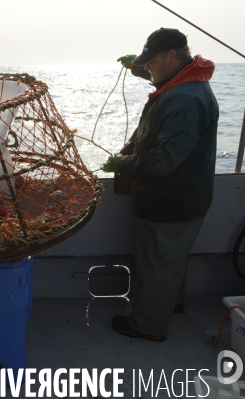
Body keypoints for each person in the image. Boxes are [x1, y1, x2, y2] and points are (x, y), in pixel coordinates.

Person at [102, 28, 219, 341]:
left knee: (157, 263)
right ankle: (172, 305)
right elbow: (165, 80)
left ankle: (147, 325)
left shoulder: (185, 100)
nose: (148, 67)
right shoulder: (188, 81)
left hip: (171, 199)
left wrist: (121, 164)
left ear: (172, 55)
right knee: (170, 259)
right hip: (186, 195)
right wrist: (137, 68)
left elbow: (164, 161)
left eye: (151, 61)